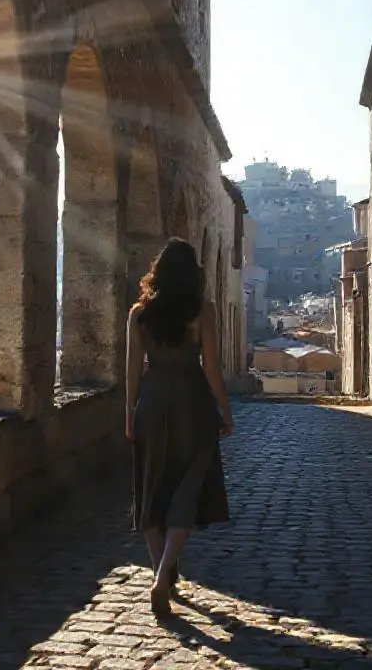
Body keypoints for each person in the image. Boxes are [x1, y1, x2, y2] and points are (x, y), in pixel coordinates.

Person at [125, 238, 234, 617]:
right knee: (186, 490)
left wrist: (129, 415)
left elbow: (133, 372)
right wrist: (225, 409)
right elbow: (212, 368)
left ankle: (160, 571)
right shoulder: (203, 311)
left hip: (152, 404)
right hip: (193, 403)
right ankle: (161, 578)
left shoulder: (139, 314)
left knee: (152, 489)